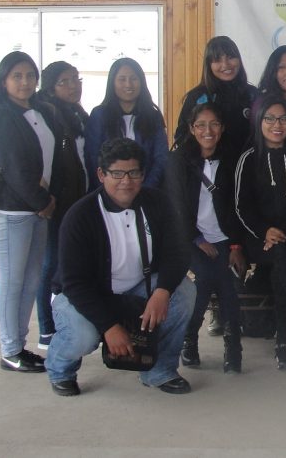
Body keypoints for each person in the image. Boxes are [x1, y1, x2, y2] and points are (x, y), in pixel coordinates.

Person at [45, 138, 196, 396]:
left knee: (184, 293)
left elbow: (178, 252)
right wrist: (109, 327)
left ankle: (159, 370)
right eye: (117, 173)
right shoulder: (80, 216)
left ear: (143, 174)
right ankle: (61, 369)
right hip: (83, 295)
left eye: (134, 173)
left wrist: (162, 292)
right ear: (101, 175)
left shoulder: (158, 203)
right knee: (84, 336)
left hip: (137, 287)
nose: (126, 181)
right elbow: (75, 283)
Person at [0, 52, 59, 373]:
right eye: (17, 76)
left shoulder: (36, 110)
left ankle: (19, 345)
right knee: (12, 282)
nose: (25, 81)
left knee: (29, 281)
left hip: (38, 209)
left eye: (30, 75)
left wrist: (44, 201)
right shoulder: (1, 115)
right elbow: (15, 167)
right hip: (13, 211)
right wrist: (42, 201)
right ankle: (10, 350)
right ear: (4, 81)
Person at [234, 96, 286, 370]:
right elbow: (241, 206)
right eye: (269, 119)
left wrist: (285, 232)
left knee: (285, 260)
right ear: (259, 123)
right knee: (285, 259)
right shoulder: (248, 158)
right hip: (258, 239)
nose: (276, 125)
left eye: (282, 119)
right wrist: (265, 232)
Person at [166, 103, 246, 373]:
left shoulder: (233, 159)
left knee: (229, 286)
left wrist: (236, 245)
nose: (207, 131)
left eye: (214, 124)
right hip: (192, 239)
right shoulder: (179, 161)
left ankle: (233, 348)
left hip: (226, 238)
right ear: (191, 128)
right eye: (201, 125)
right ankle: (189, 342)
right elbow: (176, 207)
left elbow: (239, 206)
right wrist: (199, 240)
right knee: (203, 282)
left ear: (222, 128)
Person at [34, 61, 89, 350]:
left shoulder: (78, 113)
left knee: (66, 264)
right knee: (50, 264)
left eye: (76, 79)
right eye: (65, 81)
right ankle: (46, 329)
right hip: (58, 204)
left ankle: (66, 319)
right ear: (50, 86)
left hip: (78, 201)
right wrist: (47, 198)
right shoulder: (48, 114)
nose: (73, 86)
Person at [85, 57, 169, 189]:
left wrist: (145, 189)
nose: (128, 84)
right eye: (122, 79)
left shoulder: (153, 116)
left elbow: (161, 158)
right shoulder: (99, 114)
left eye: (134, 79)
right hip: (108, 192)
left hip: (147, 192)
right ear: (112, 83)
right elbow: (92, 157)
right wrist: (109, 191)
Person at [172, 36, 258, 153]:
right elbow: (181, 136)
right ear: (209, 65)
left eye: (231, 57)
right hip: (207, 167)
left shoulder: (253, 94)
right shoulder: (197, 97)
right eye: (217, 60)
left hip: (247, 165)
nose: (225, 65)